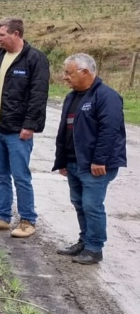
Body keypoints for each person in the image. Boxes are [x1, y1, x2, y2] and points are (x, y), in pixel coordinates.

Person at [0, 18, 50, 238]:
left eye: (2, 35)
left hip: (18, 130)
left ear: (16, 34)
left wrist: (30, 125)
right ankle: (2, 217)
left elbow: (38, 95)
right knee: (0, 175)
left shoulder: (35, 59)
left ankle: (27, 221)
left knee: (20, 176)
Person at [51, 53, 127, 265]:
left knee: (92, 205)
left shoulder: (106, 96)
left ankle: (95, 248)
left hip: (95, 165)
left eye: (69, 73)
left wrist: (99, 160)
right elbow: (65, 133)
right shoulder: (71, 97)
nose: (64, 77)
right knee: (79, 203)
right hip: (74, 162)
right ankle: (84, 241)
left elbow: (109, 131)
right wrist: (63, 161)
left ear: (85, 72)